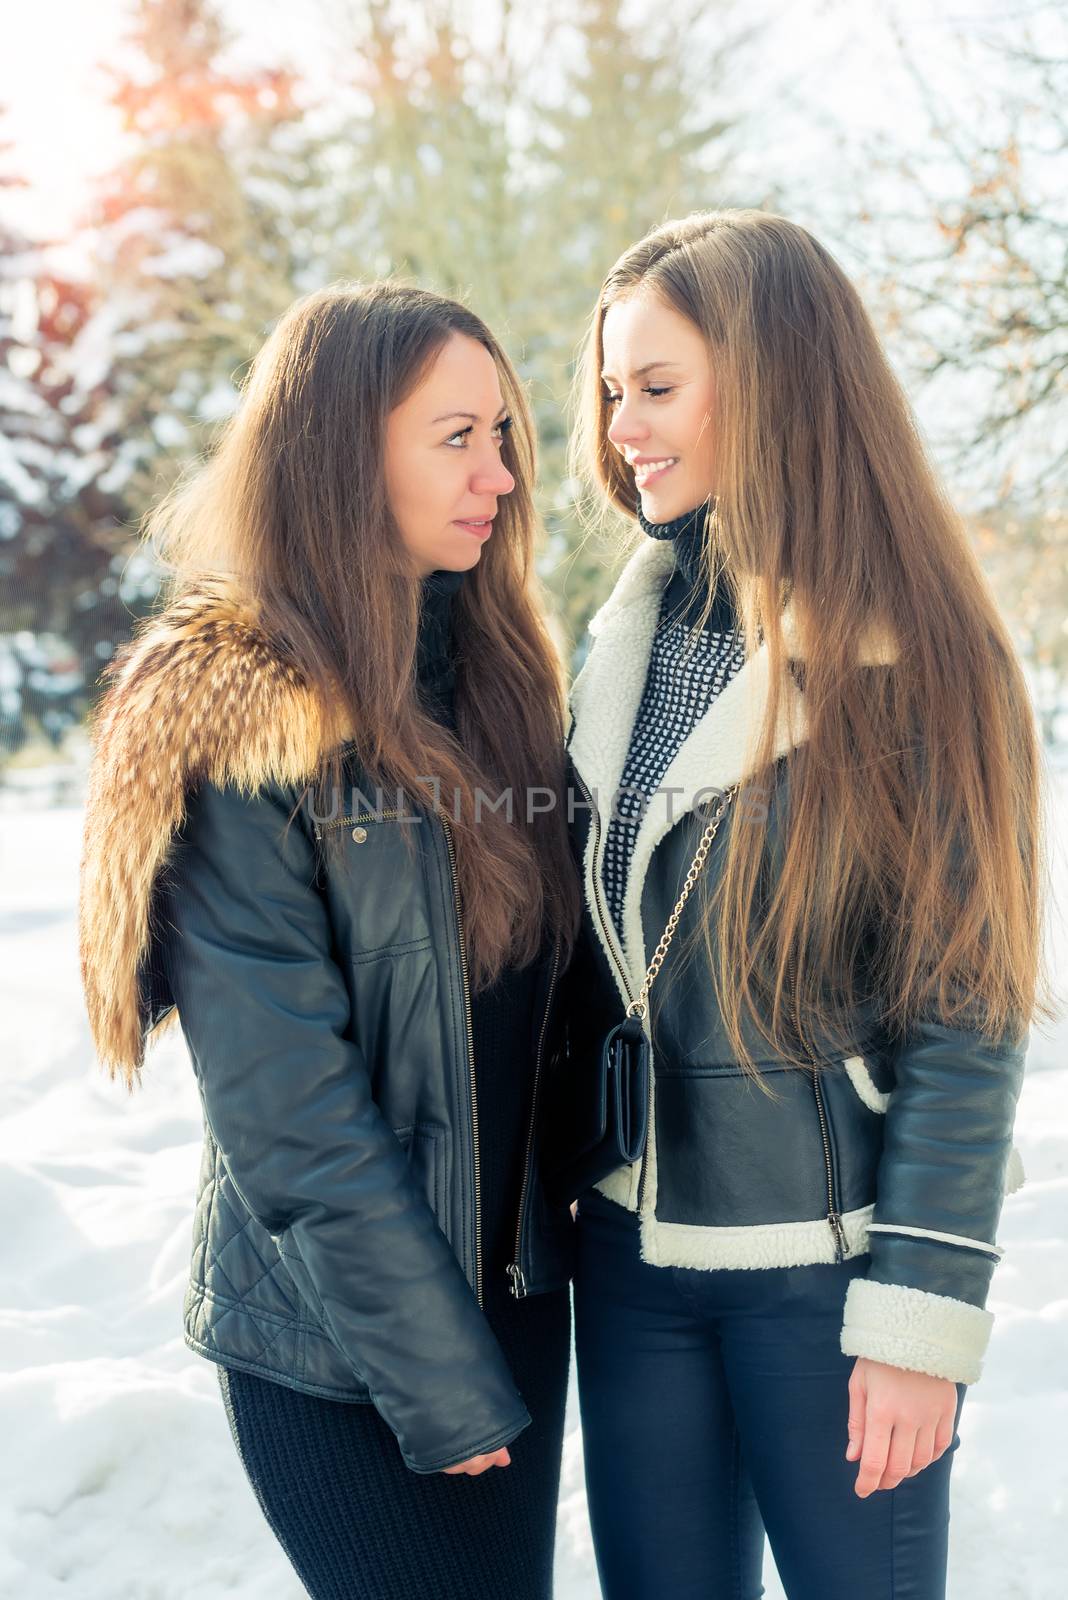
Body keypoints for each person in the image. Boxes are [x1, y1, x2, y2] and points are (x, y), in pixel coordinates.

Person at [559, 209, 1048, 1599]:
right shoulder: (627, 635)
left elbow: (970, 1016)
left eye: (657, 388)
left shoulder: (926, 658)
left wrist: (919, 1317)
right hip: (633, 1261)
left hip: (827, 1288)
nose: (621, 429)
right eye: (611, 391)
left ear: (771, 385)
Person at [77, 281, 583, 1600]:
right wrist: (439, 1381)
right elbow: (286, 1109)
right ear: (347, 447)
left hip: (515, 1309)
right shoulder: (235, 704)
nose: (502, 474)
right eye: (456, 437)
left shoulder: (493, 678)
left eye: (504, 433)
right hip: (343, 1351)